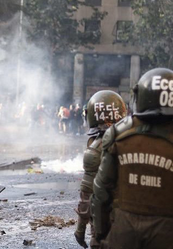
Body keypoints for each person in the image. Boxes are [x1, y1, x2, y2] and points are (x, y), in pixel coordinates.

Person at [91, 68, 173, 248]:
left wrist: (100, 235)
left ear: (139, 96)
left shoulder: (118, 132)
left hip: (124, 231)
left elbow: (101, 191)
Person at [74, 90, 127, 249]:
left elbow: (86, 196)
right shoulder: (134, 141)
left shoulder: (96, 148)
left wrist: (80, 229)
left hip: (104, 222)